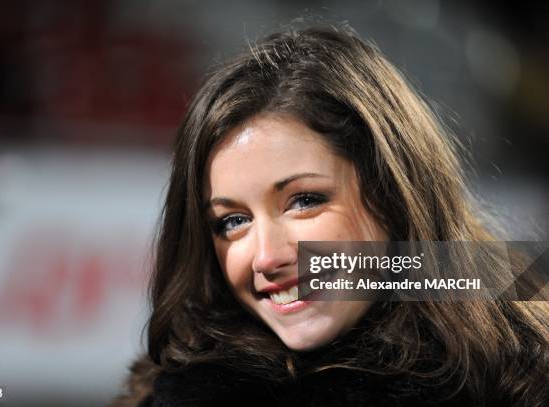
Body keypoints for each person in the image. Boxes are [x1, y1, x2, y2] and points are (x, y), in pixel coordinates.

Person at [113, 26, 548, 406]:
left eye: (304, 200)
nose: (266, 257)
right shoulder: (175, 390)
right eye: (232, 221)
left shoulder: (525, 373)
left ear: (394, 192)